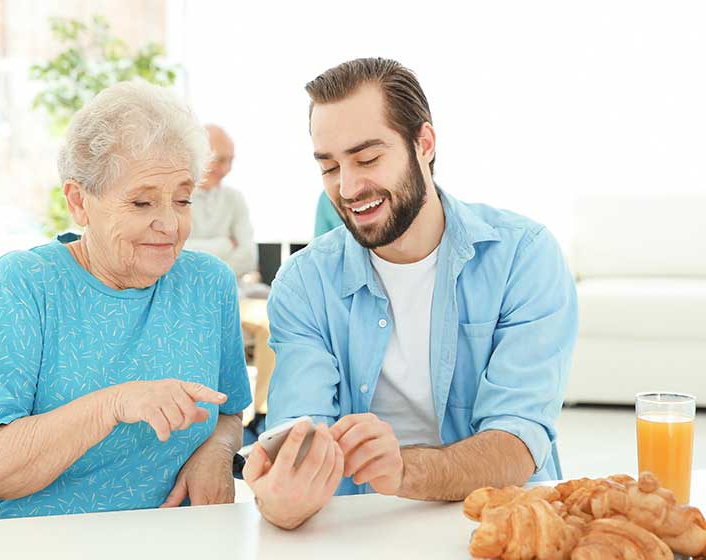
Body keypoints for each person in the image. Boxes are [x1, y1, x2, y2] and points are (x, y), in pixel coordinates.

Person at [243, 58, 578, 530]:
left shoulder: (524, 257)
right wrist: (283, 495)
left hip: (496, 519)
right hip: (358, 525)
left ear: (423, 144)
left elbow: (517, 441)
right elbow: (299, 428)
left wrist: (403, 468)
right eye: (329, 166)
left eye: (367, 158)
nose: (348, 187)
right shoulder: (304, 283)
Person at [0, 81, 252, 518]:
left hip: (180, 538)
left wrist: (217, 452)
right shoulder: (22, 286)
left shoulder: (209, 283)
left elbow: (231, 414)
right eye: (142, 202)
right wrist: (114, 404)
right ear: (79, 203)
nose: (169, 224)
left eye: (183, 200)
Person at [185, 124, 257, 277]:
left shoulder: (235, 198)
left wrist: (211, 278)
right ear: (198, 156)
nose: (225, 169)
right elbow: (173, 253)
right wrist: (225, 245)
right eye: (219, 160)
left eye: (231, 160)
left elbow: (249, 257)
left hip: (225, 289)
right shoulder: (176, 198)